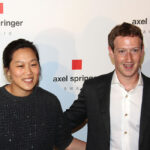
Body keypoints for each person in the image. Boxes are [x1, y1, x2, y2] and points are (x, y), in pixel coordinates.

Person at [64, 22, 150, 150]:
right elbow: (61, 125)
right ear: (111, 51)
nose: (129, 59)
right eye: (122, 51)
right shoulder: (92, 89)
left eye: (134, 50)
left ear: (142, 51)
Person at [0, 39, 86, 150]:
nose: (28, 72)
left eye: (33, 64)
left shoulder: (50, 101)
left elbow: (64, 142)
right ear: (8, 71)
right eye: (20, 66)